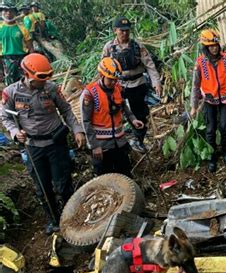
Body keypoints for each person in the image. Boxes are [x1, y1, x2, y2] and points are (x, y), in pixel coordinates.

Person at [0, 53, 85, 234]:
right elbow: (5, 117)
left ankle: (73, 217)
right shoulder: (11, 93)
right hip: (33, 147)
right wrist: (15, 133)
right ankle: (54, 220)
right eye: (41, 78)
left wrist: (77, 130)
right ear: (28, 74)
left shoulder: (52, 89)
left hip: (56, 143)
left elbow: (66, 110)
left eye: (47, 77)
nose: (44, 81)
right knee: (42, 188)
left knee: (63, 184)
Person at [102, 16, 161, 154]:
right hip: (118, 85)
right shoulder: (109, 48)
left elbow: (150, 65)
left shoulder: (137, 46)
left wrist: (156, 82)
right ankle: (119, 140)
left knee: (140, 113)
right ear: (115, 30)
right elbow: (103, 67)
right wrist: (103, 87)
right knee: (115, 112)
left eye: (127, 30)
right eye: (121, 31)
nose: (125, 33)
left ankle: (138, 140)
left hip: (137, 84)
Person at [80, 57, 144, 177]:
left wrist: (133, 120)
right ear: (101, 75)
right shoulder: (90, 94)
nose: (114, 83)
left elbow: (124, 107)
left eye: (115, 80)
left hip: (119, 142)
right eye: (110, 80)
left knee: (125, 174)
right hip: (102, 146)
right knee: (105, 178)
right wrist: (94, 146)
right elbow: (86, 121)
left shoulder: (118, 89)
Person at [190, 29, 226, 173]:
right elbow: (195, 86)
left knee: (225, 126)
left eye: (216, 45)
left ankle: (225, 151)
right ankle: (212, 157)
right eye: (211, 46)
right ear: (205, 47)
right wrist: (194, 106)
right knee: (210, 130)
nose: (214, 48)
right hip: (209, 101)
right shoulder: (200, 63)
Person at [0, 2, 33, 85]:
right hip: (6, 59)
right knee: (10, 83)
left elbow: (30, 48)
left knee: (24, 82)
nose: (8, 13)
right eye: (5, 11)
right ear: (2, 12)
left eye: (11, 11)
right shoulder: (0, 28)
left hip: (22, 58)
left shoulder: (22, 28)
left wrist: (32, 62)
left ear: (15, 13)